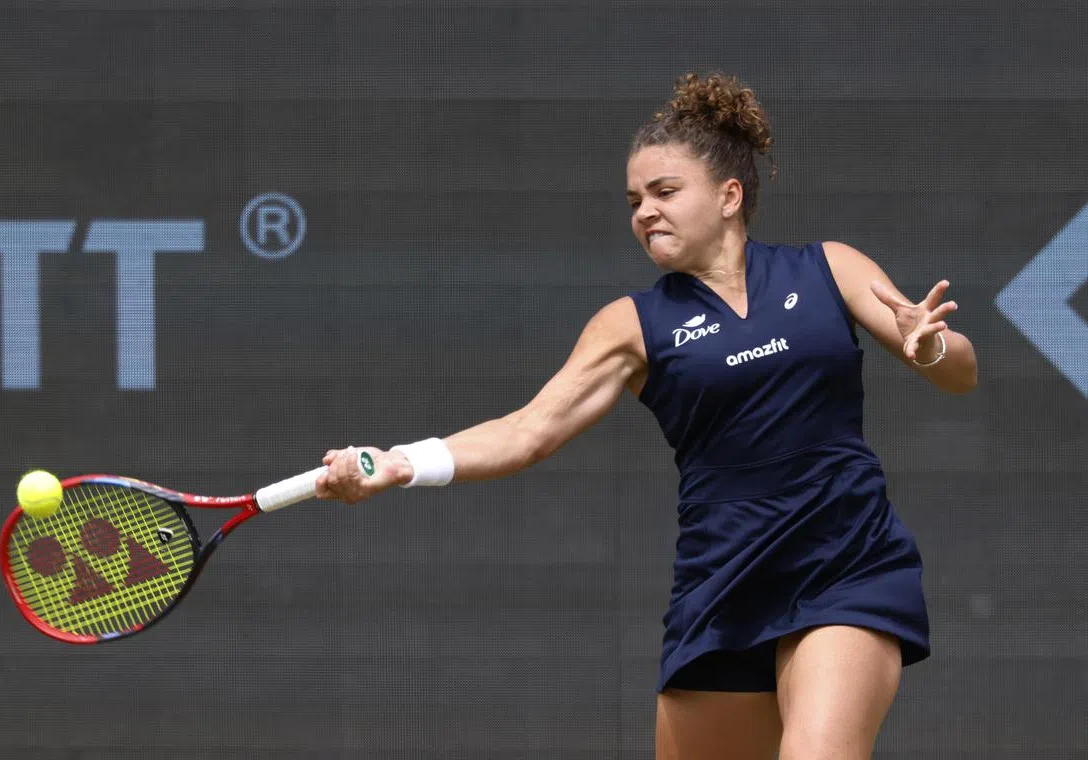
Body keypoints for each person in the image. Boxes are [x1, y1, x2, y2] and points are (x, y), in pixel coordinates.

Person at [314, 72, 978, 760]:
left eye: (664, 192)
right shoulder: (632, 325)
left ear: (729, 195)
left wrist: (928, 347)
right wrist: (401, 463)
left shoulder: (829, 269)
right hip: (725, 583)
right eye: (634, 200)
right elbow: (527, 432)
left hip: (847, 564)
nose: (644, 213)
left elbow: (960, 371)